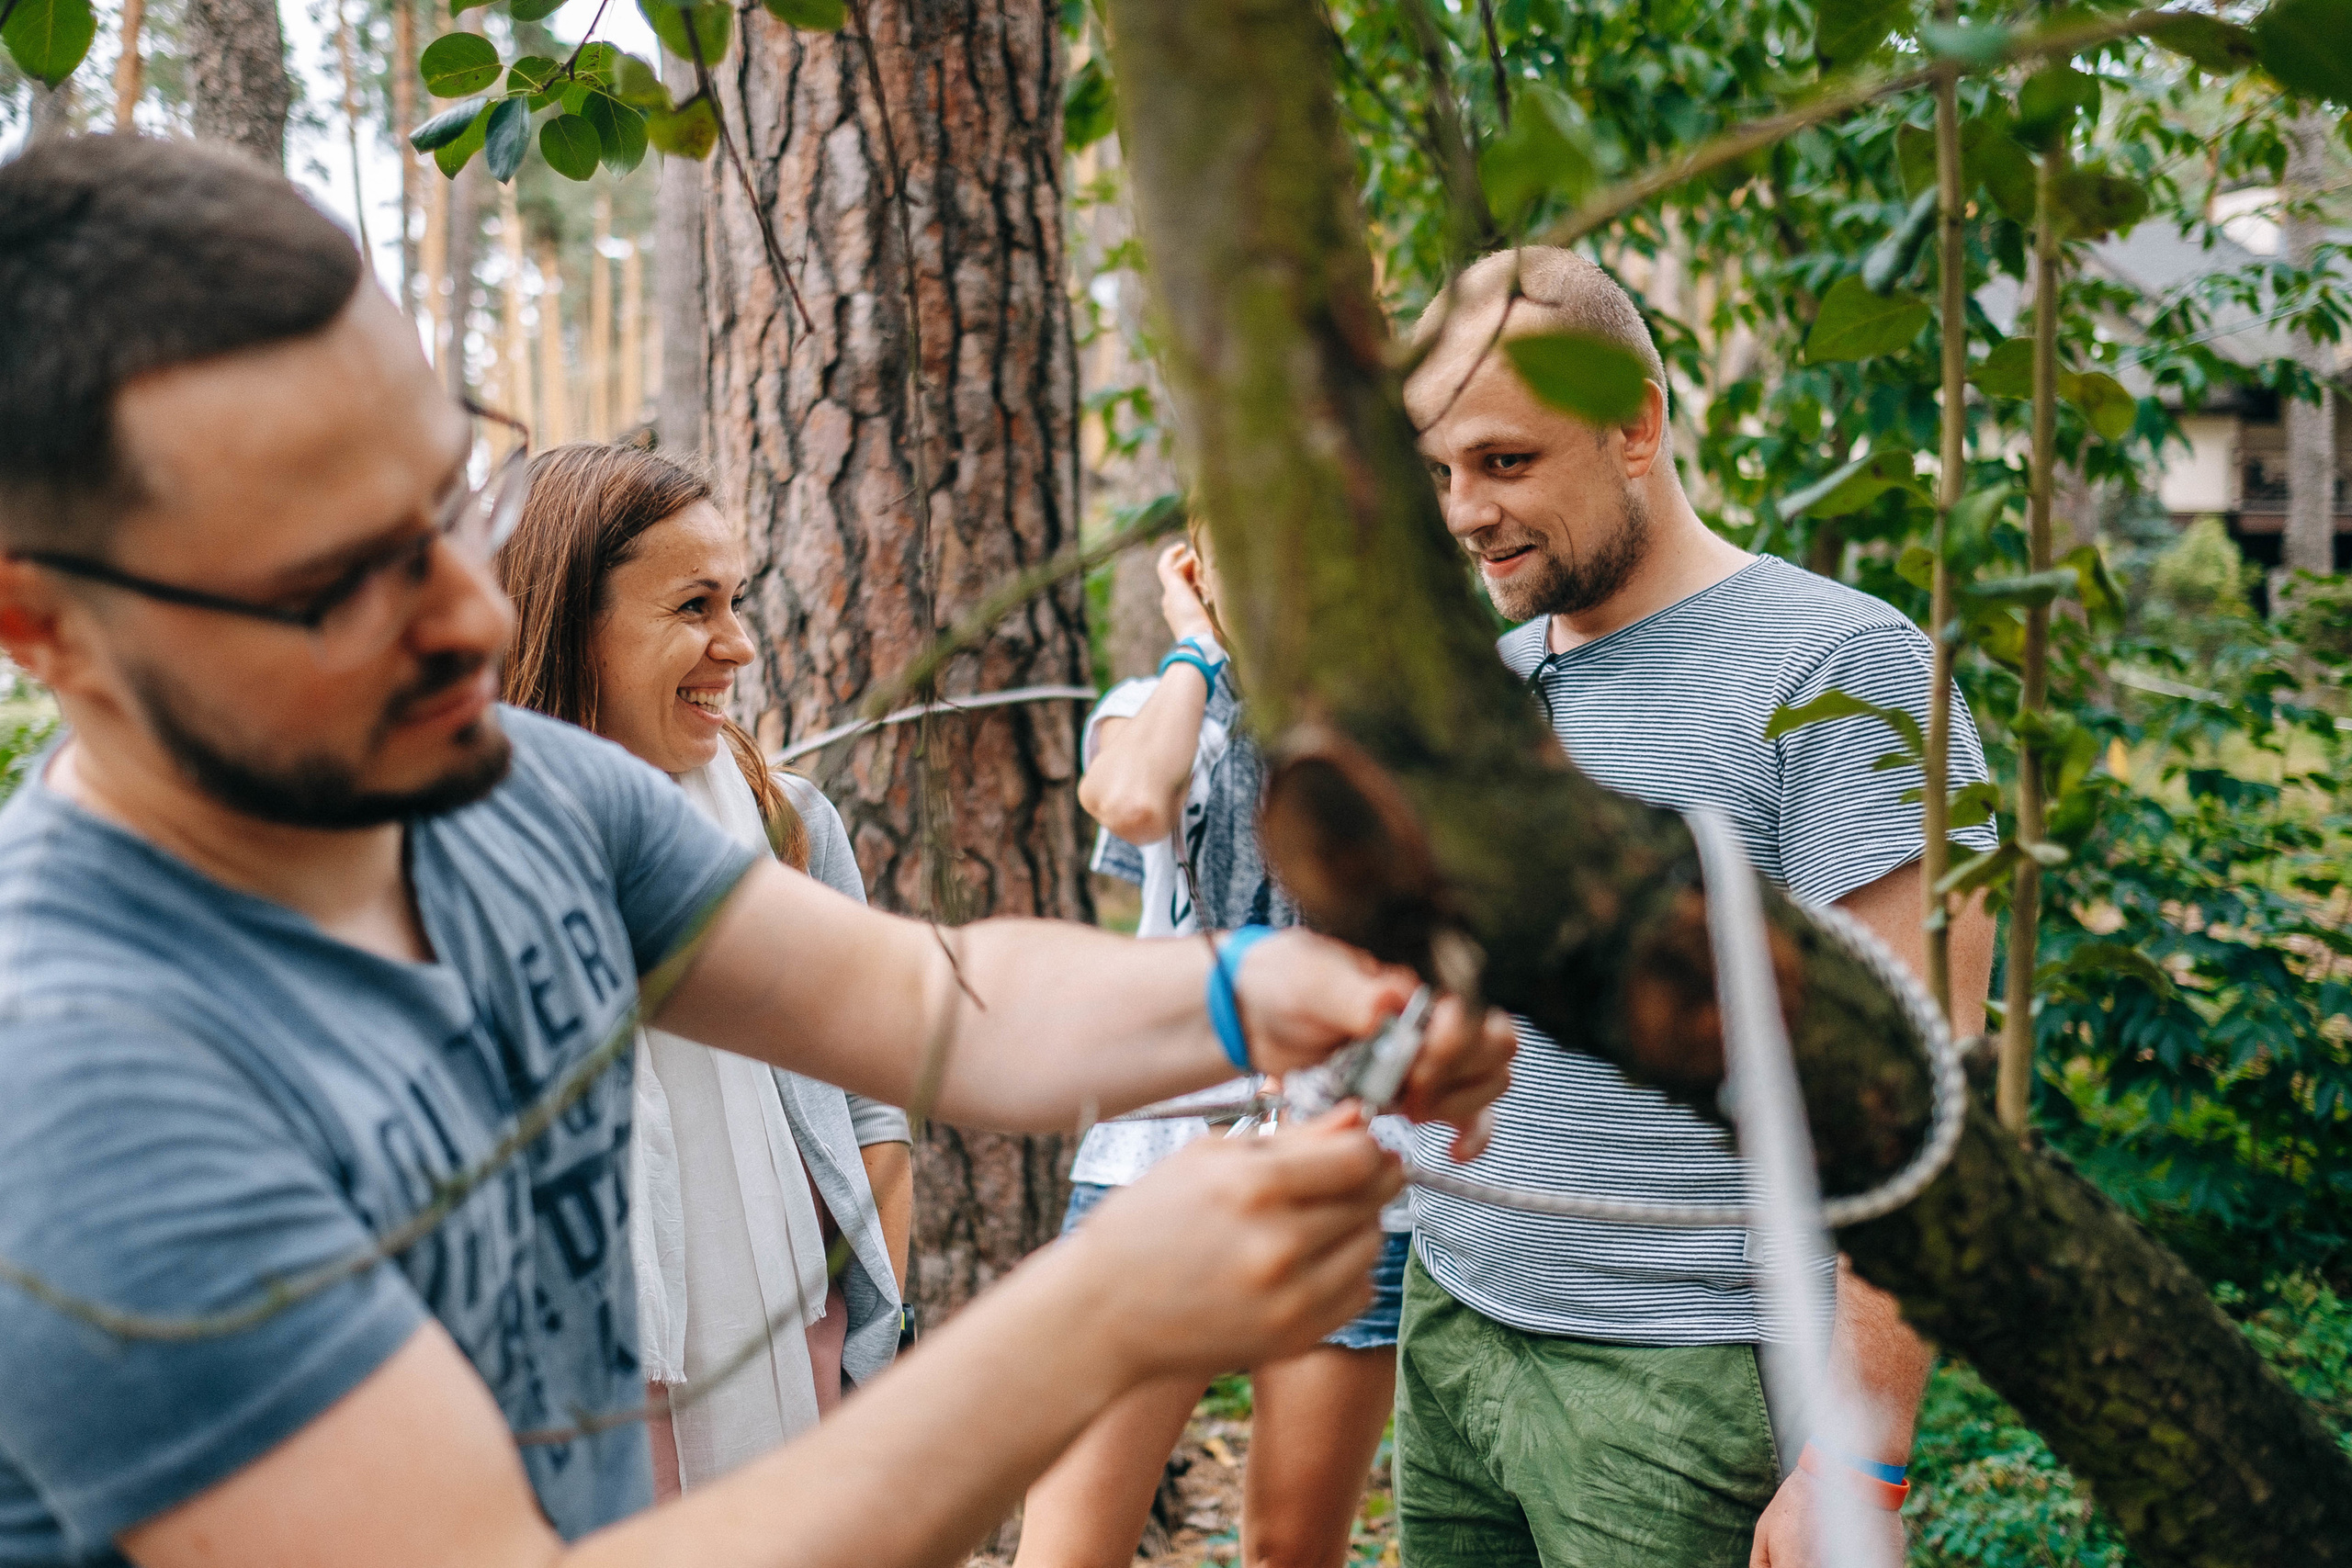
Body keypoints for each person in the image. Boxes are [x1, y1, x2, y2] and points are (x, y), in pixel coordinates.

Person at [0, 134, 1515, 1568]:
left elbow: (925, 1000)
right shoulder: (79, 1091)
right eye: (335, 578)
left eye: (451, 500)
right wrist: (1102, 1314)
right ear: (46, 623)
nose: (469, 611)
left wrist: (1256, 992)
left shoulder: (520, 791)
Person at [1394, 245, 2001, 1568]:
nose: (1465, 512)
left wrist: (1860, 1458)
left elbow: (1919, 1101)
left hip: (1682, 1376)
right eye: (1440, 473)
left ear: (1635, 427)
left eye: (1504, 461)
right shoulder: (1497, 679)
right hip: (1454, 1318)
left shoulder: (1847, 667)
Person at [492, 442, 914, 1492]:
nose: (739, 645)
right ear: (564, 622)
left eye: (736, 600)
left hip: (790, 1350)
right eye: (693, 607)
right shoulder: (456, 857)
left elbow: (872, 1094)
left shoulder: (786, 825)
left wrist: (864, 1328)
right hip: (565, 1389)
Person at [1014, 528, 1409, 1568]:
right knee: (1067, 1546)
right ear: (1194, 562)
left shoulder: (1397, 723)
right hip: (1154, 1156)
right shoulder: (1151, 706)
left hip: (1345, 1159)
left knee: (1292, 1548)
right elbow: (1133, 798)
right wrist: (1195, 644)